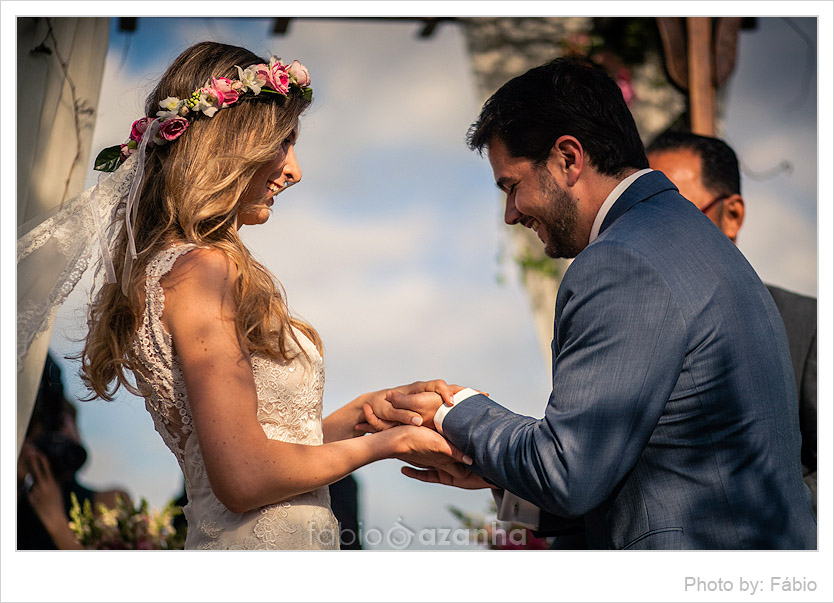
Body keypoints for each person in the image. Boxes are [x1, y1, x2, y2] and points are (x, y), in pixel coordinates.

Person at [367, 56, 816, 549]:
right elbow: (657, 472)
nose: (511, 214)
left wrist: (457, 412)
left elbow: (566, 469)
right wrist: (502, 477)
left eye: (512, 186)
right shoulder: (698, 245)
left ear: (568, 158)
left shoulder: (622, 261)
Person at [72, 41, 469, 550]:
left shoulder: (177, 268)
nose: (294, 170)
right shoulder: (201, 271)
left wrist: (367, 414)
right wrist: (387, 445)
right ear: (231, 144)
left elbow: (262, 454)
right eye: (282, 143)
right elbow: (244, 481)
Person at [646, 131, 817, 514]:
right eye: (640, 221)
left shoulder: (807, 327)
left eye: (675, 216)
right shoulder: (633, 336)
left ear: (733, 215)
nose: (651, 238)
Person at [17, 354, 130, 550]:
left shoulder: (108, 503)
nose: (59, 443)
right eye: (48, 436)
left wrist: (57, 522)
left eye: (66, 429)